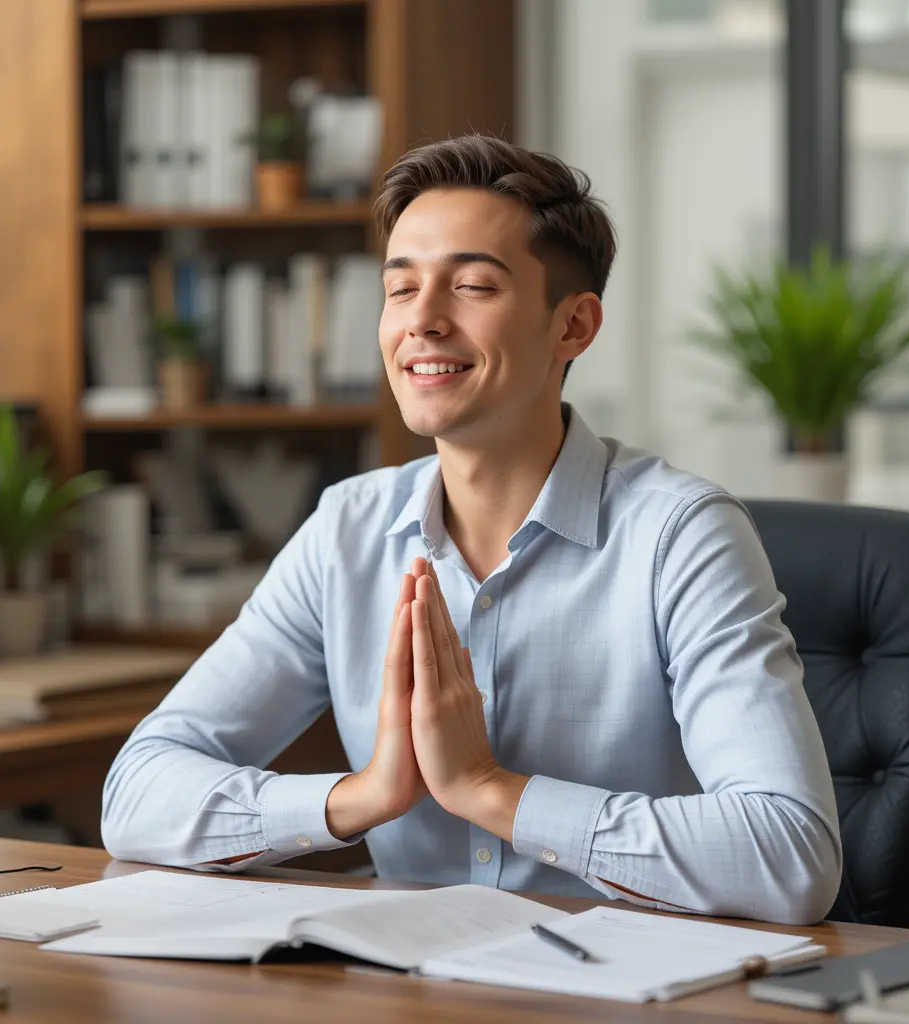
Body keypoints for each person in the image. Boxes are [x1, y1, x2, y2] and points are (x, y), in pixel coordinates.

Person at [102, 134, 842, 925]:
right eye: (400, 288)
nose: (422, 321)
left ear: (575, 326)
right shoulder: (348, 530)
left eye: (474, 286)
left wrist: (493, 792)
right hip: (409, 987)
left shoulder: (681, 536)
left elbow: (790, 853)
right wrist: (361, 797)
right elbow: (137, 792)